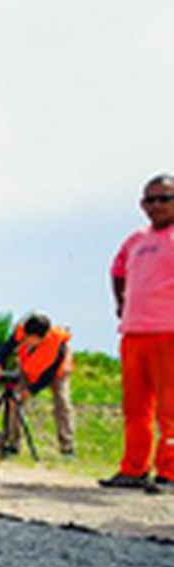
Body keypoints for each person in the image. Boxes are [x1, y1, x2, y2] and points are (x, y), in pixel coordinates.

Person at [103, 173, 174, 493]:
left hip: (168, 332)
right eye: (151, 199)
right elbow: (117, 271)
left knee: (170, 407)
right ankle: (133, 468)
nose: (157, 205)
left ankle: (170, 472)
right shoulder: (136, 241)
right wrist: (121, 302)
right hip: (134, 333)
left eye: (165, 198)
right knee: (135, 408)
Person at [0, 311, 75, 457]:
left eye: (32, 338)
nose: (27, 340)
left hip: (56, 373)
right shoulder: (22, 331)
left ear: (42, 336)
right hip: (27, 367)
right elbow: (6, 349)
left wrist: (31, 390)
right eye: (27, 337)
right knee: (13, 401)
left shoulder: (56, 343)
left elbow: (49, 375)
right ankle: (12, 444)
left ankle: (67, 447)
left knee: (62, 403)